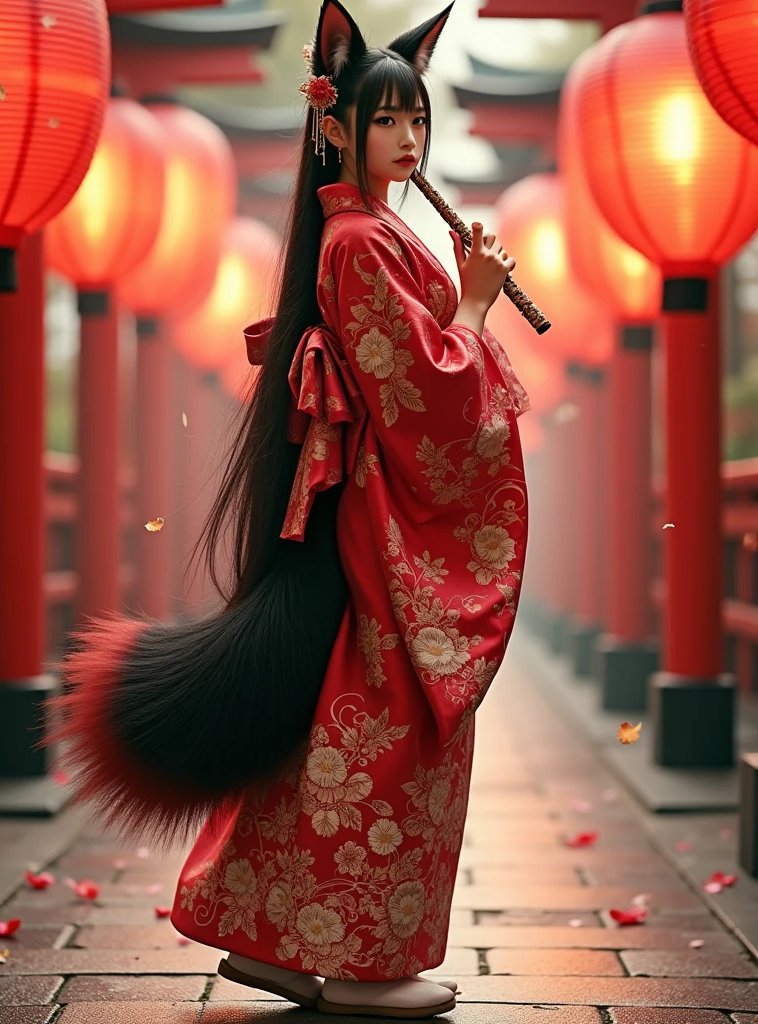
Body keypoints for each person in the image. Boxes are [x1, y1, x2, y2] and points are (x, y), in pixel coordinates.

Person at [42, 0, 529, 1018]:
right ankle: (356, 961)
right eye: (384, 119)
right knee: (389, 724)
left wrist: (459, 294)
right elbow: (423, 391)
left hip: (365, 509)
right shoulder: (357, 242)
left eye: (417, 119)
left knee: (336, 718)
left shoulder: (373, 234)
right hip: (375, 521)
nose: (407, 138)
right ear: (335, 126)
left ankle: (271, 934)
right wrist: (478, 302)